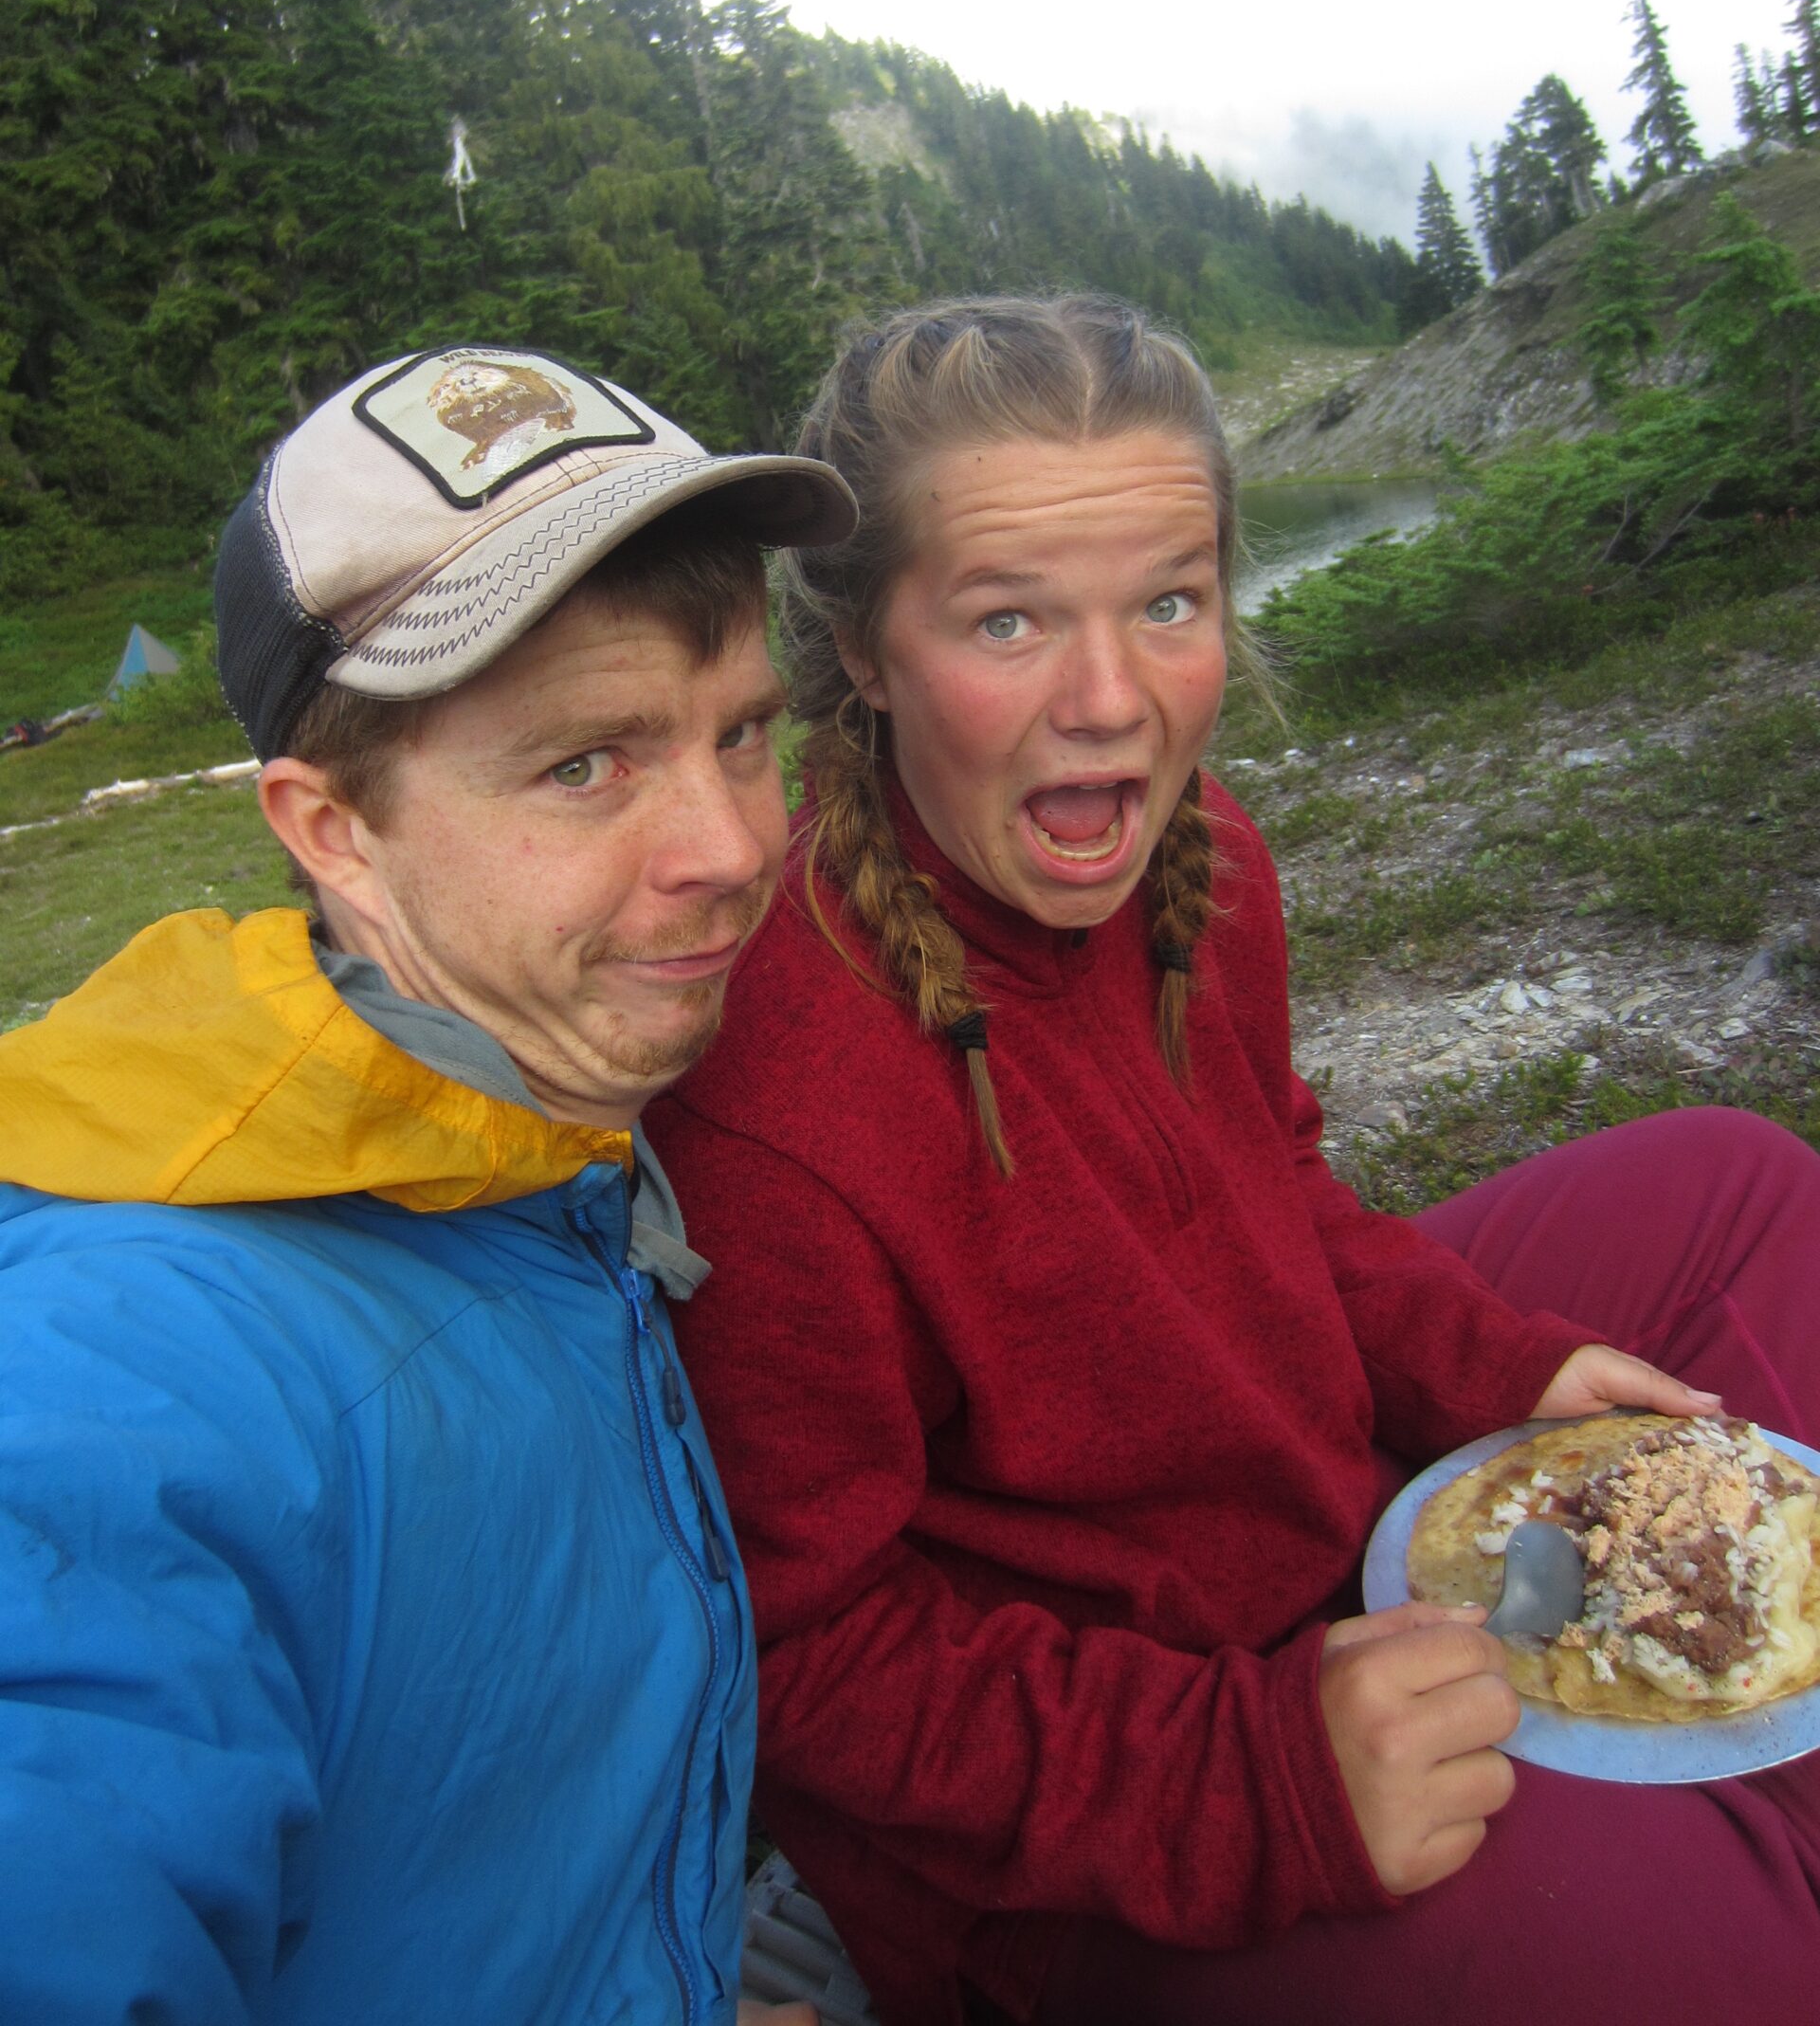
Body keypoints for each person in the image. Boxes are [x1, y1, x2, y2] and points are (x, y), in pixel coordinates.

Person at [645, 296, 1820, 2026]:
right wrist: (1256, 1778)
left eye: (1170, 603)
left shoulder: (1205, 869)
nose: (1111, 701)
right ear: (867, 653)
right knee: (1718, 1957)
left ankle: (1742, 1752)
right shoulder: (772, 1087)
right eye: (1009, 618)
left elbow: (1285, 1197)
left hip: (1293, 1505)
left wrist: (1499, 1364)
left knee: (1739, 1186)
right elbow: (808, 1661)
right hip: (1140, 1774)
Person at [0, 345, 856, 2023]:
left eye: (744, 732)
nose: (736, 847)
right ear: (328, 830)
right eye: (584, 765)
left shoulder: (526, 1114)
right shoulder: (135, 1369)